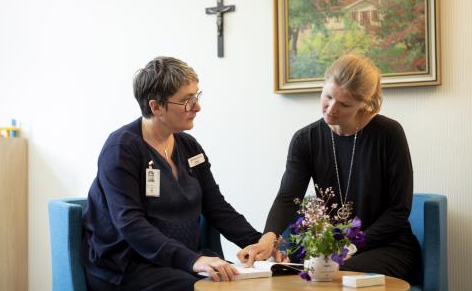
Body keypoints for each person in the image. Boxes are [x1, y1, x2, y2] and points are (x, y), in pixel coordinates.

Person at [82, 56, 262, 291]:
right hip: (128, 265)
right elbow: (130, 223)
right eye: (187, 100)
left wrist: (256, 243)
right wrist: (194, 261)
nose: (197, 107)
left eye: (196, 96)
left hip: (180, 261)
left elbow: (216, 206)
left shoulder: (189, 147)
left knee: (249, 282)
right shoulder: (121, 149)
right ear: (155, 106)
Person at [238, 54, 422, 283]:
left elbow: (398, 210)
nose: (331, 109)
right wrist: (268, 239)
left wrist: (348, 248)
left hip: (387, 246)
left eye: (344, 104)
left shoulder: (389, 134)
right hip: (328, 249)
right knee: (283, 272)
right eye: (328, 96)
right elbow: (288, 197)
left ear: (364, 102)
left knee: (330, 275)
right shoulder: (306, 139)